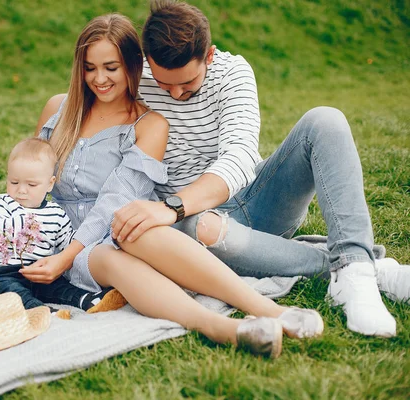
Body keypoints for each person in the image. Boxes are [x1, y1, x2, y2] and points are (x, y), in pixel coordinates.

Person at [20, 13, 324, 358]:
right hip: (62, 236)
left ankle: (270, 311)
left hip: (112, 222)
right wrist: (29, 236)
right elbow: (32, 175)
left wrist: (68, 257)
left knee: (134, 226)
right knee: (113, 252)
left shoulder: (148, 124)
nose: (100, 79)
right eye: (90, 68)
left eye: (111, 67)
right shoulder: (58, 109)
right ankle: (227, 329)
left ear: (134, 66)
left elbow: (116, 200)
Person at [110, 0, 409, 337]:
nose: (176, 94)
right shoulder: (136, 79)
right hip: (194, 228)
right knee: (204, 225)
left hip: (257, 200)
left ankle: (355, 266)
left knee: (326, 120)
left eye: (187, 83)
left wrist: (171, 207)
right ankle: (360, 270)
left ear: (208, 55)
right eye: (166, 86)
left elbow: (238, 156)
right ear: (148, 61)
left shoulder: (233, 72)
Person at [0, 137, 127, 317]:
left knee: (60, 287)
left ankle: (89, 299)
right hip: (5, 272)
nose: (21, 190)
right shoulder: (3, 203)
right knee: (12, 293)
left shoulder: (55, 213)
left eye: (31, 184)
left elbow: (68, 243)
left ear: (49, 184)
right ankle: (41, 312)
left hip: (40, 272)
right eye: (14, 182)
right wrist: (26, 222)